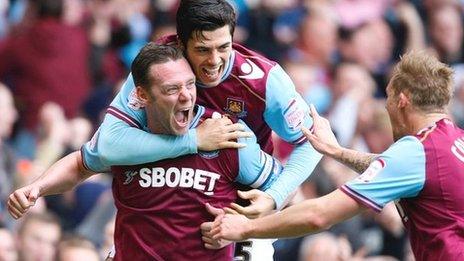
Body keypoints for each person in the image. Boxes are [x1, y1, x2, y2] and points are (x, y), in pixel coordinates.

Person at [8, 43, 283, 260]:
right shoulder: (123, 142)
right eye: (172, 89)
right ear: (142, 95)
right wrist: (38, 187)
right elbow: (81, 165)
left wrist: (243, 222)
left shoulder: (227, 133)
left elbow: (281, 188)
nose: (186, 96)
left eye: (190, 85)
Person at [210, 51, 464, 260]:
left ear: (402, 101)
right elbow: (397, 168)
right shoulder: (453, 140)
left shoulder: (417, 151)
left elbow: (319, 215)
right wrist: (337, 152)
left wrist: (245, 228)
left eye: (387, 97)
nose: (385, 106)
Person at [92, 0, 321, 215]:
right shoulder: (157, 66)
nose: (214, 60)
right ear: (180, 44)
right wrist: (195, 140)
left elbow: (313, 143)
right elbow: (108, 143)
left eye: (223, 47)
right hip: (164, 195)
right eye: (203, 49)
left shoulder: (264, 80)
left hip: (241, 208)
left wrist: (273, 197)